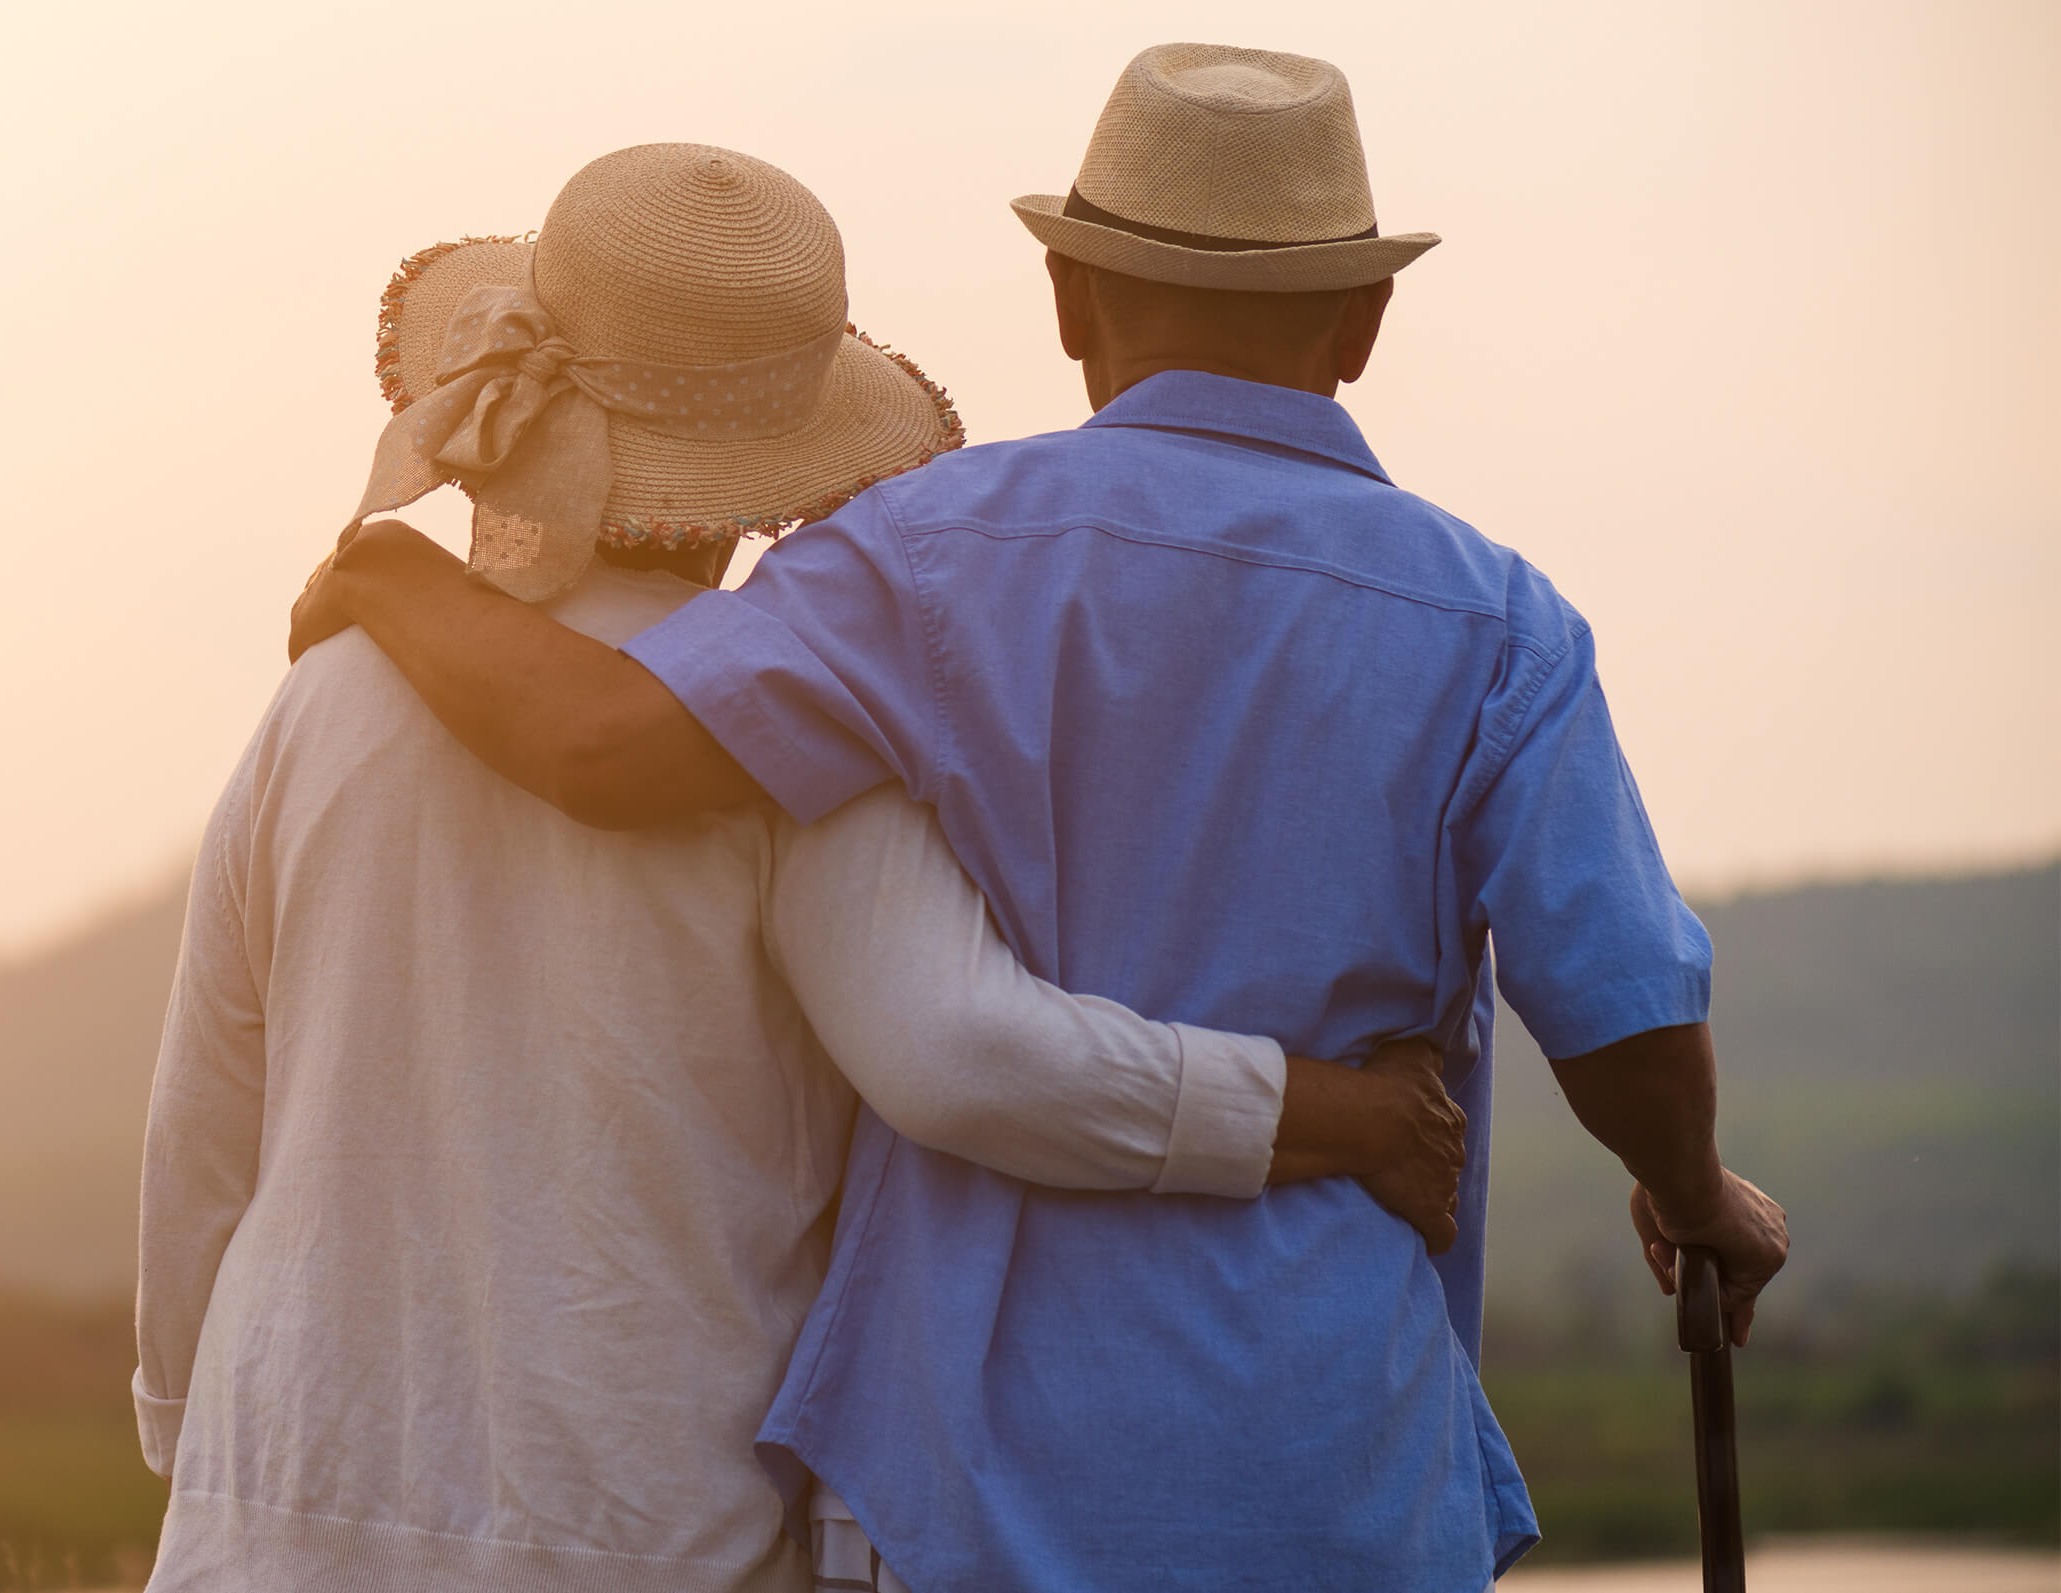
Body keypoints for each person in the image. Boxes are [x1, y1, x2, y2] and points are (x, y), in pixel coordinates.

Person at [289, 48, 1792, 1590]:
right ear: (1363, 321)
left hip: (958, 1493)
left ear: (1070, 300)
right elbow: (1622, 1019)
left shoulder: (915, 556)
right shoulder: (1498, 628)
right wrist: (1695, 1194)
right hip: (1335, 1474)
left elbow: (604, 741)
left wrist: (387, 575)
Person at [136, 142, 1468, 1593]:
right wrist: (1331, 1114)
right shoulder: (791, 727)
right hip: (632, 1538)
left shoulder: (323, 696)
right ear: (782, 467)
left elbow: (204, 1130)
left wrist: (197, 1441)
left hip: (262, 1528)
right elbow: (959, 1055)